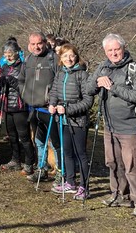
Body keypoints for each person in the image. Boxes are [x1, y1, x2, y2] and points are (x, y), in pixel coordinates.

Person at [86, 33, 136, 217]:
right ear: (105, 51)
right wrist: (98, 82)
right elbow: (89, 89)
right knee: (114, 163)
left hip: (131, 127)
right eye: (110, 50)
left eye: (117, 49)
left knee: (133, 166)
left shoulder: (135, 68)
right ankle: (119, 196)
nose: (114, 53)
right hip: (110, 126)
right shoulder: (103, 66)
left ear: (123, 48)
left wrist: (112, 87)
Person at [48, 43, 93, 200]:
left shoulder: (82, 75)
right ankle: (70, 182)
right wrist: (52, 104)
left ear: (76, 57)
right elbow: (54, 91)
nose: (69, 58)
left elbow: (88, 101)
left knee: (80, 154)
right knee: (66, 152)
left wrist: (68, 109)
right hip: (62, 120)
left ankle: (84, 187)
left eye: (72, 55)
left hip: (78, 121)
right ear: (60, 58)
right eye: (65, 55)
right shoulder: (60, 73)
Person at [21, 32, 60, 183]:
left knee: (56, 142)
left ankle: (60, 173)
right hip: (33, 108)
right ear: (29, 45)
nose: (36, 47)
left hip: (49, 108)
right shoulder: (28, 59)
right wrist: (24, 95)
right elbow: (21, 80)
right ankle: (42, 169)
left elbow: (59, 80)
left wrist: (53, 100)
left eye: (39, 43)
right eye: (33, 44)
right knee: (39, 141)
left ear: (44, 43)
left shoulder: (53, 59)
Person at [0, 41, 35, 175]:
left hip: (20, 106)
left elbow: (27, 88)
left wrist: (14, 83)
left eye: (10, 54)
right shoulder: (5, 67)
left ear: (17, 53)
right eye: (6, 54)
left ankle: (30, 162)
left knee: (24, 136)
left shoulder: (24, 67)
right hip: (7, 105)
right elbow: (1, 86)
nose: (8, 57)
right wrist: (0, 83)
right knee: (12, 136)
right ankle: (15, 160)